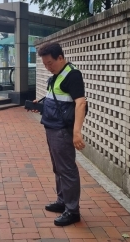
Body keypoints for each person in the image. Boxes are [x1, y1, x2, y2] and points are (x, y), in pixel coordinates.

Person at [34, 42, 87, 226]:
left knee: (67, 170)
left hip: (63, 131)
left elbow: (81, 103)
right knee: (58, 168)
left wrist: (76, 132)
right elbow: (56, 100)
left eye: (50, 63)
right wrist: (38, 105)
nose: (48, 67)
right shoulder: (55, 76)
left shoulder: (72, 75)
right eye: (45, 64)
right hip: (51, 127)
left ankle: (72, 211)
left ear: (60, 58)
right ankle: (62, 201)